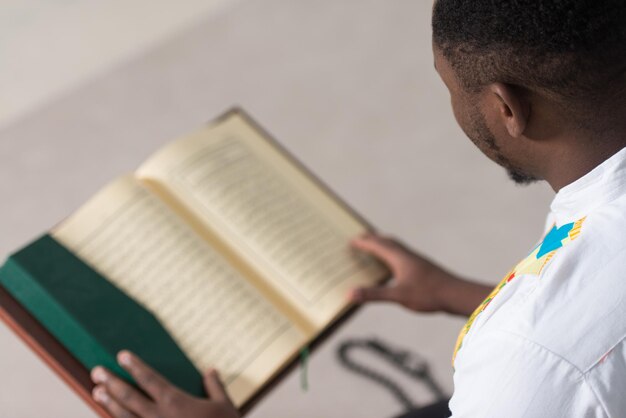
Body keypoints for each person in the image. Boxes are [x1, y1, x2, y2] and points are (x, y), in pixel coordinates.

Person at [89, 0, 626, 417]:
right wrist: (459, 294)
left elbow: (564, 354)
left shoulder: (524, 360)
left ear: (507, 107)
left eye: (450, 86)